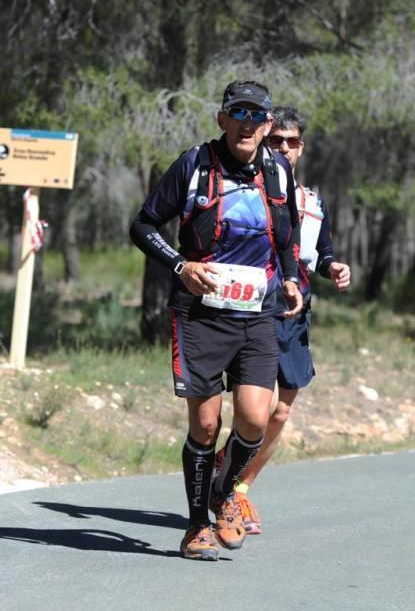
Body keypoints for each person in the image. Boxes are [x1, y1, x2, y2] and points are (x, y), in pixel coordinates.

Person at [129, 80, 303, 561]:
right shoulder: (194, 165)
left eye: (256, 117)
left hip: (257, 313)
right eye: (238, 115)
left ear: (267, 126)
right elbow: (142, 225)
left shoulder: (278, 173)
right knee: (205, 425)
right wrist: (182, 267)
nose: (247, 125)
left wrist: (290, 279)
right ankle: (195, 526)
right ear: (222, 119)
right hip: (200, 314)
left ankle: (225, 491)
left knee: (254, 415)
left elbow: (286, 238)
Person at [223, 105, 350, 535]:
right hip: (253, 305)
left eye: (291, 142)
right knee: (254, 411)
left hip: (295, 309)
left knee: (280, 411)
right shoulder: (247, 192)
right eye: (275, 140)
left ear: (301, 148)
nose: (283, 148)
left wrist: (334, 267)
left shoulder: (312, 202)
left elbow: (323, 250)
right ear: (262, 139)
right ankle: (228, 494)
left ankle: (239, 486)